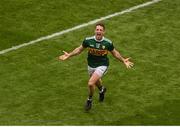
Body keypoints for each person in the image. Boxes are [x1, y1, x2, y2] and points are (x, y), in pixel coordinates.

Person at [59, 23, 134, 111]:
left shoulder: (108, 43)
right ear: (95, 31)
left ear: (104, 32)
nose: (98, 31)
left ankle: (89, 100)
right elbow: (79, 49)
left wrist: (123, 60)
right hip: (91, 65)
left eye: (100, 30)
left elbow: (115, 53)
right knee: (96, 81)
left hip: (102, 65)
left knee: (91, 83)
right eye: (97, 29)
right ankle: (102, 90)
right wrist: (69, 55)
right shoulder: (88, 40)